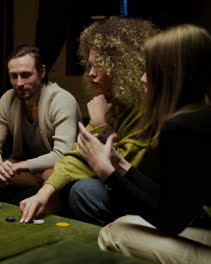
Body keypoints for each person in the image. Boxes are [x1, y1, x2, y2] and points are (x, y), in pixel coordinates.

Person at [77, 24, 211, 264]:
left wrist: (107, 173)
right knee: (123, 224)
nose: (142, 79)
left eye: (150, 71)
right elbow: (177, 204)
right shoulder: (207, 115)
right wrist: (120, 165)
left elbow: (172, 221)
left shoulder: (181, 127)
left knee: (114, 233)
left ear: (172, 76)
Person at [19, 17, 158, 223]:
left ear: (123, 67)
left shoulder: (142, 106)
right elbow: (77, 154)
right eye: (90, 66)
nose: (91, 74)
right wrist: (44, 193)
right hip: (123, 190)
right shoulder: (111, 100)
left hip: (149, 199)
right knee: (59, 181)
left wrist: (100, 123)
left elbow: (123, 168)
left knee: (84, 190)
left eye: (99, 67)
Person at [0, 44, 81, 203]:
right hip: (27, 170)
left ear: (42, 72)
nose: (19, 83)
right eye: (14, 76)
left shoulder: (62, 100)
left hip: (58, 169)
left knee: (51, 175)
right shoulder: (8, 99)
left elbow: (62, 155)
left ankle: (44, 224)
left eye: (26, 75)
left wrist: (22, 166)